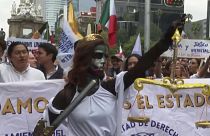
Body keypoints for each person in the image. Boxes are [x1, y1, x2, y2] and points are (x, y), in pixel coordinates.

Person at [37, 19, 182, 135]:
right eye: (98, 56)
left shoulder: (111, 88)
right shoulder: (67, 95)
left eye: (105, 57)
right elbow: (42, 129)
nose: (103, 61)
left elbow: (140, 67)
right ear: (84, 58)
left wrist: (165, 41)